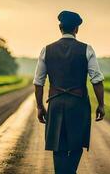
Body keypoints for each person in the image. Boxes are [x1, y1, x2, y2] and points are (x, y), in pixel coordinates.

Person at [33, 10, 105, 174]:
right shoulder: (87, 49)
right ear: (76, 29)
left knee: (58, 146)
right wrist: (101, 105)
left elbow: (38, 82)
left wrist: (39, 106)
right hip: (78, 104)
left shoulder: (46, 50)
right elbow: (97, 80)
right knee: (76, 143)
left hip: (56, 103)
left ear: (60, 27)